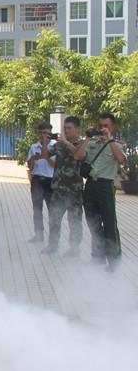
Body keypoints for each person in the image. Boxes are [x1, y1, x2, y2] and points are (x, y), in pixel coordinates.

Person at [74, 113, 126, 271]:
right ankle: (98, 257)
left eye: (106, 126)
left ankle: (114, 260)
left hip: (105, 186)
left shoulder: (117, 145)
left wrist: (109, 140)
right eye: (100, 126)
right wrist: (88, 138)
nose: (102, 129)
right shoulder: (92, 143)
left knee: (109, 224)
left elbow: (121, 159)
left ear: (113, 127)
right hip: (90, 185)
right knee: (93, 223)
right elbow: (77, 156)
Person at [41, 116, 83, 256]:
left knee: (74, 221)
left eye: (69, 128)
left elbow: (78, 155)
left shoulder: (82, 143)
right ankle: (52, 246)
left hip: (74, 190)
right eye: (65, 128)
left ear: (77, 129)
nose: (66, 131)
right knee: (54, 219)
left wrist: (65, 141)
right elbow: (45, 155)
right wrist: (45, 143)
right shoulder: (59, 144)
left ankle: (74, 249)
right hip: (58, 189)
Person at [26, 122, 56, 244]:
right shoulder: (34, 147)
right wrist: (33, 159)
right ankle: (38, 235)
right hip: (37, 180)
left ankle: (53, 239)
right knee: (37, 210)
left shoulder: (55, 147)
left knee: (52, 211)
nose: (44, 136)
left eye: (47, 133)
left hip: (50, 180)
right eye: (42, 133)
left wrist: (46, 154)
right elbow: (30, 166)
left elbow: (55, 165)